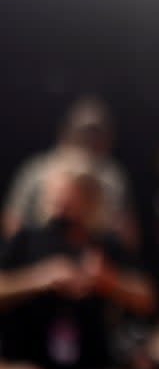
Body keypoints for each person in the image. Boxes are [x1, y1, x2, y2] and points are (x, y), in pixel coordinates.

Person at [0, 147, 157, 369]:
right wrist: (40, 279)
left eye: (69, 197)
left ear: (90, 199)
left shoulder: (105, 245)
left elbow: (147, 297)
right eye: (55, 195)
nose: (61, 205)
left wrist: (108, 280)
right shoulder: (25, 241)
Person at [3, 94, 139, 252]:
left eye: (97, 134)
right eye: (85, 132)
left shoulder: (112, 176)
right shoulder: (38, 169)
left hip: (93, 256)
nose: (90, 140)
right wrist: (30, 257)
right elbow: (12, 219)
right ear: (66, 131)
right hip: (39, 254)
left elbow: (128, 233)